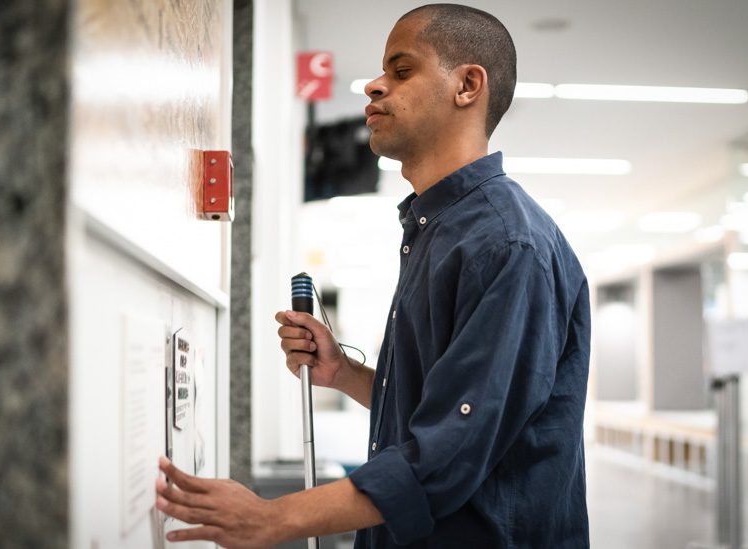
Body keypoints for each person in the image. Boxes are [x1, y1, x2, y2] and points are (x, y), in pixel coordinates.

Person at [155, 4, 591, 547]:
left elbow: (446, 456)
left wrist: (274, 518)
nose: (372, 87)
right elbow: (435, 410)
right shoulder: (439, 229)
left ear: (468, 85)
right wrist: (343, 373)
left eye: (401, 71)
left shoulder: (505, 244)